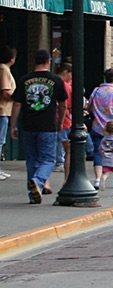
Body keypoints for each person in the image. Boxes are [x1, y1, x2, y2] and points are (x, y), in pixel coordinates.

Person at [12, 49, 67, 202]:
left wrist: (13, 125)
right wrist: (60, 121)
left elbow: (17, 104)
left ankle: (33, 195)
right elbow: (63, 104)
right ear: (49, 61)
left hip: (28, 125)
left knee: (32, 160)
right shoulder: (56, 80)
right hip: (47, 125)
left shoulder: (24, 79)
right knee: (48, 159)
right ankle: (39, 180)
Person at [0, 47, 15, 181]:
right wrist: (17, 97)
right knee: (0, 140)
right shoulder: (4, 69)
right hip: (2, 109)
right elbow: (5, 91)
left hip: (5, 110)